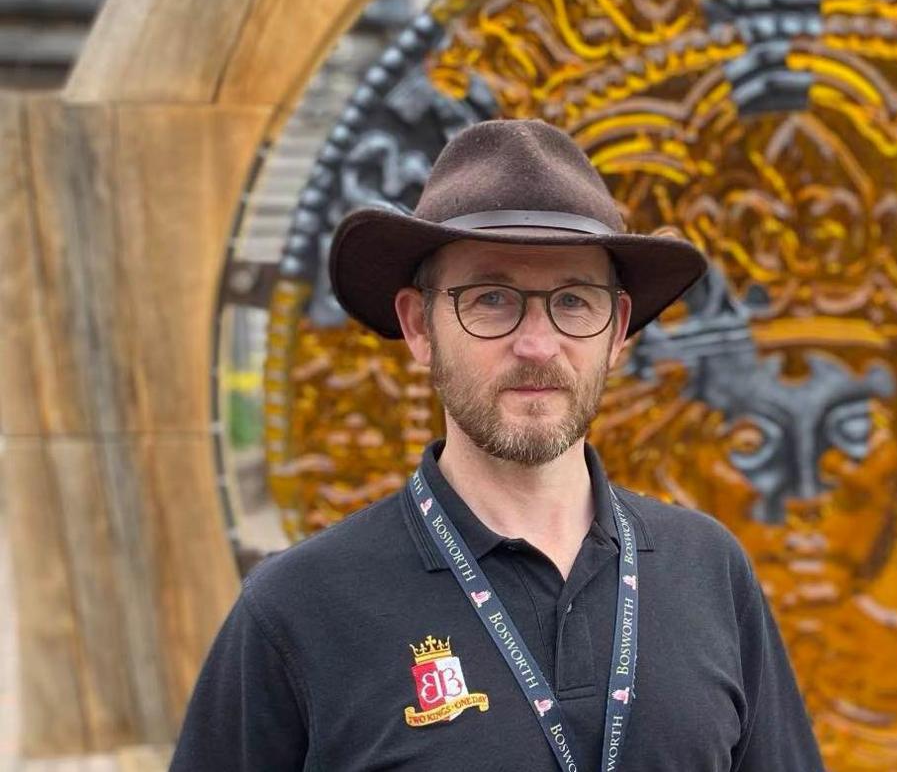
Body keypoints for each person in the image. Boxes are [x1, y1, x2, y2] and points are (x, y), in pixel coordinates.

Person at [171, 119, 824, 771]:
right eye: (490, 298)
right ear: (420, 325)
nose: (537, 344)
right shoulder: (298, 609)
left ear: (617, 329)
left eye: (572, 300)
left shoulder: (708, 571)